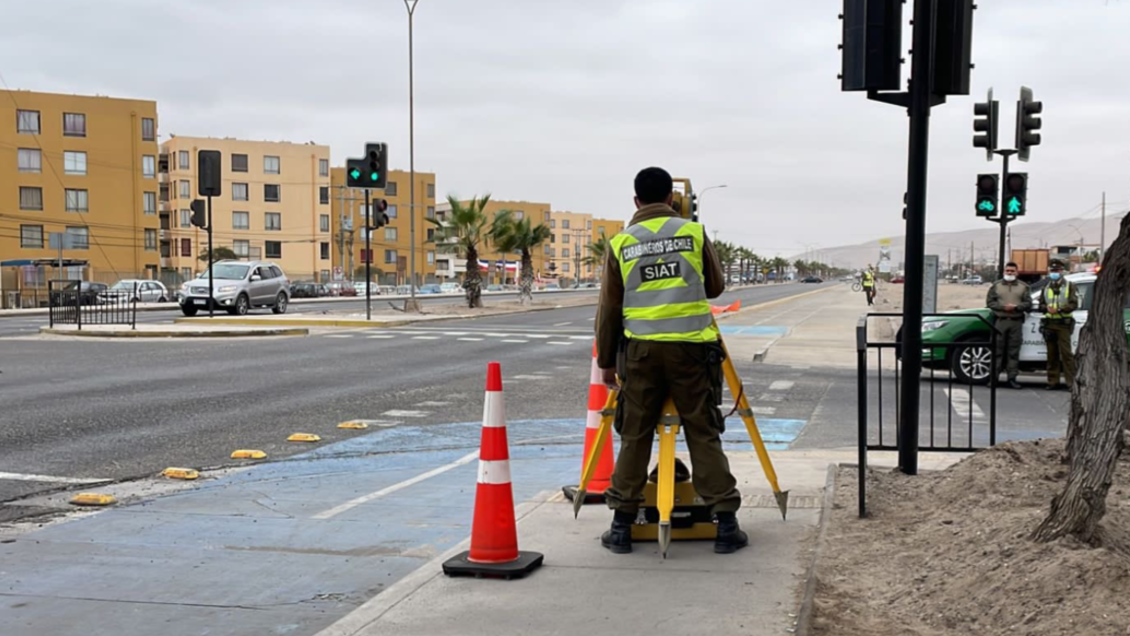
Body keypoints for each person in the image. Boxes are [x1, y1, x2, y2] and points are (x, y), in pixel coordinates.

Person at [594, 167, 747, 555]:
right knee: (702, 430)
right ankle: (725, 524)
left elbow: (609, 310)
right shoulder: (692, 233)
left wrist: (608, 362)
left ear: (635, 201)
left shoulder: (622, 242)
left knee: (635, 434)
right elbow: (714, 286)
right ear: (672, 199)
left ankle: (622, 526)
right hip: (692, 352)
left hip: (641, 354)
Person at [986, 262, 1032, 389]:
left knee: (1013, 351)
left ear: (1017, 272)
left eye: (1012, 271)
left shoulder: (1024, 287)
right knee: (997, 350)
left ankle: (1012, 378)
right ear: (1004, 272)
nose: (1010, 273)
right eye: (1007, 271)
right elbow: (990, 302)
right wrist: (1002, 307)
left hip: (1016, 321)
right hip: (1000, 321)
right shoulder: (996, 286)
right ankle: (993, 379)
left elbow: (1028, 303)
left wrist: (1017, 307)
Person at [1039, 259, 1078, 391]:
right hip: (1050, 323)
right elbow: (1040, 304)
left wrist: (1060, 310)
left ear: (1062, 271)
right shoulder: (1046, 287)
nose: (1055, 273)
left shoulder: (1070, 286)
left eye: (1057, 270)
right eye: (1053, 270)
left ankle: (1071, 383)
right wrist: (1046, 308)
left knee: (1066, 355)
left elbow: (1074, 304)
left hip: (1063, 324)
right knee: (1051, 355)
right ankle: (1052, 381)